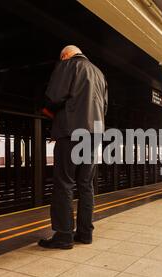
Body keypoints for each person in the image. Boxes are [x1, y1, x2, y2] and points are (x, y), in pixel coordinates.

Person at [38, 45, 108, 250]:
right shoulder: (99, 73)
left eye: (61, 58)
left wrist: (48, 110)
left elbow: (53, 96)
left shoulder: (68, 65)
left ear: (66, 55)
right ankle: (85, 234)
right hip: (95, 133)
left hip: (71, 131)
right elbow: (104, 107)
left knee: (64, 184)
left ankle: (64, 235)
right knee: (86, 185)